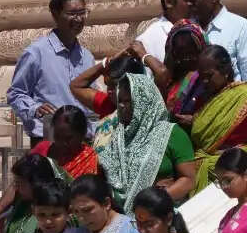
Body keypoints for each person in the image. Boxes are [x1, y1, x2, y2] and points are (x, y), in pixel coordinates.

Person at [82, 52, 198, 204]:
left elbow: (188, 180)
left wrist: (154, 201)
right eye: (120, 100)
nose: (121, 106)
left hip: (160, 213)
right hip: (121, 214)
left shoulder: (171, 134)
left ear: (144, 101)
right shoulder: (117, 134)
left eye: (128, 101)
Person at [8, 0, 96, 139]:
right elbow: (15, 94)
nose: (79, 19)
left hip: (83, 142)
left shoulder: (87, 57)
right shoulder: (36, 53)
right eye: (72, 14)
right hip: (49, 142)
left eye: (82, 13)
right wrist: (35, 109)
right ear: (55, 15)